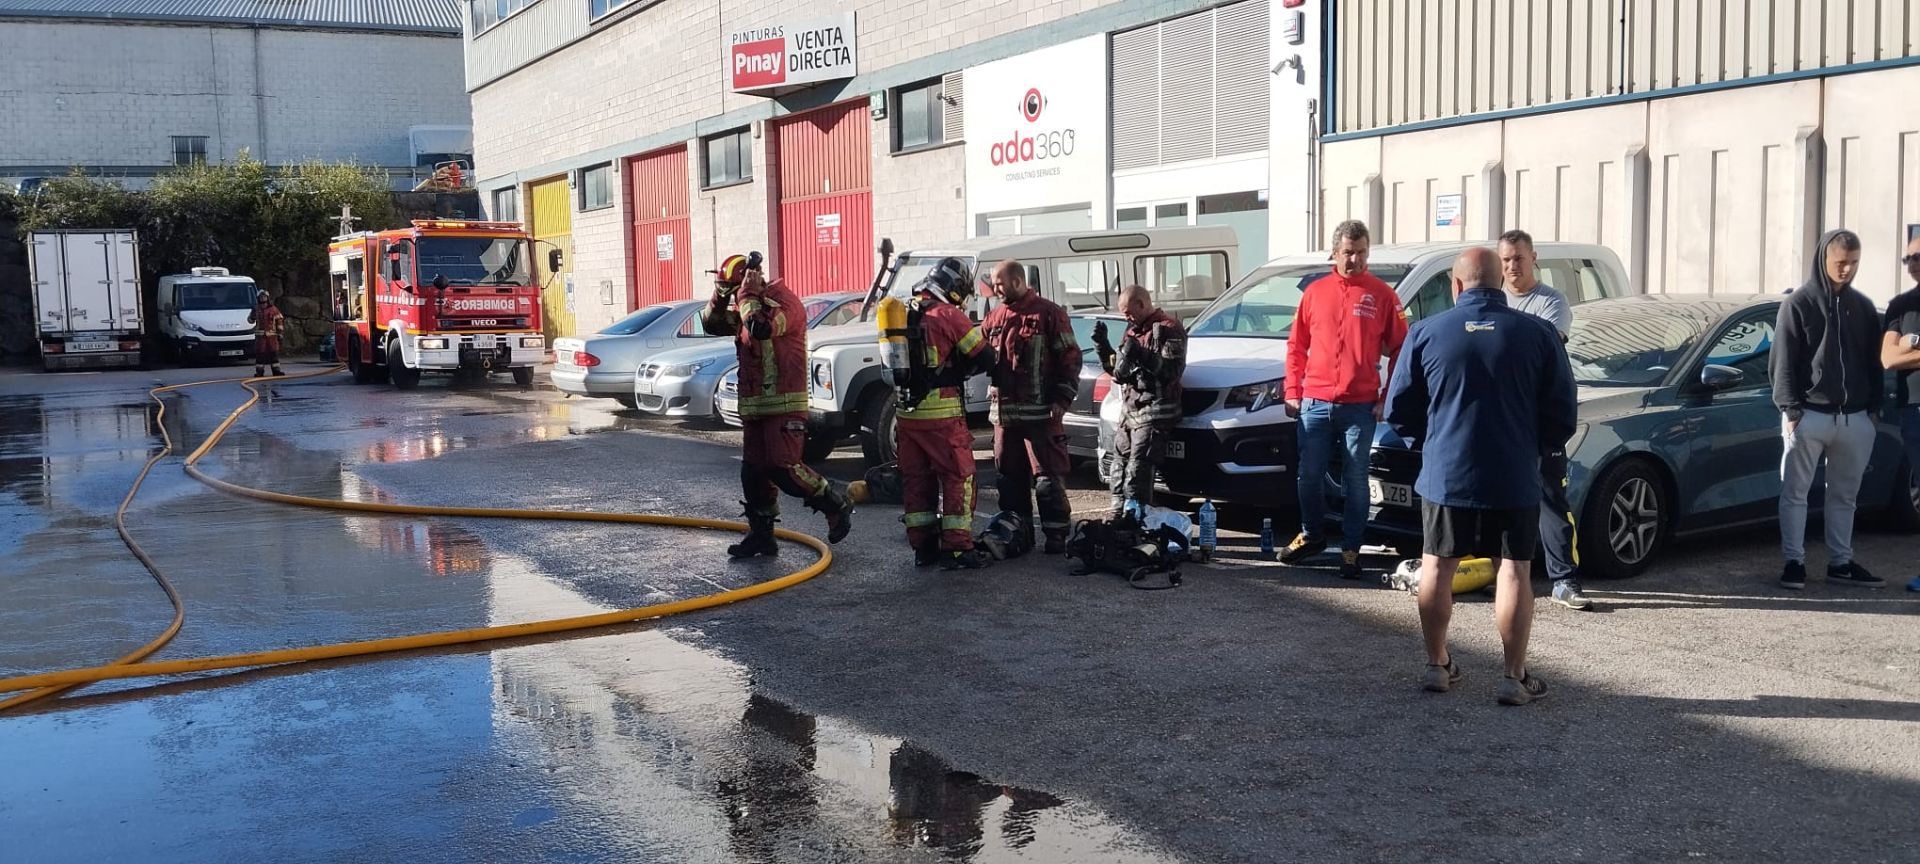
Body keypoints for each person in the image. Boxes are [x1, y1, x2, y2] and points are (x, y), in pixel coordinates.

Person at [1385, 247, 1576, 706]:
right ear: (1501, 284)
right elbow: (1562, 412)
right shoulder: (1539, 333)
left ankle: (1437, 664)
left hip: (1447, 472)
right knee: (1514, 571)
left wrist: (1430, 446)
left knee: (1437, 564)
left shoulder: (1427, 332)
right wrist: (1535, 448)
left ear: (1455, 286)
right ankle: (1513, 676)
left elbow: (1399, 410)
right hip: (1513, 473)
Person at [700, 253, 854, 559]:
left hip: (784, 403)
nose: (735, 298)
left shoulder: (784, 303)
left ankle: (835, 503)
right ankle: (762, 537)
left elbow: (761, 329)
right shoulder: (747, 305)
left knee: (783, 469)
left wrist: (747, 295)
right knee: (753, 473)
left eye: (736, 290)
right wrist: (720, 294)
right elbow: (712, 324)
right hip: (756, 407)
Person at [1281, 219, 1408, 579]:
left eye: (1362, 252)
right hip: (1315, 401)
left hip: (1360, 404)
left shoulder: (1383, 295)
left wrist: (1388, 397)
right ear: (1334, 253)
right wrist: (1293, 390)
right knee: (1308, 475)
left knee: (1356, 478)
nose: (1355, 259)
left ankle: (1351, 550)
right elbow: (1296, 346)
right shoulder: (1315, 293)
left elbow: (1402, 348)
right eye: (1348, 252)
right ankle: (1312, 535)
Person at [1773, 230, 1885, 590]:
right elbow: (1783, 363)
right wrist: (1791, 411)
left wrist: (1873, 410)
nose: (1847, 269)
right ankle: (1794, 563)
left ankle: (1841, 563)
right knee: (1795, 492)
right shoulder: (1798, 304)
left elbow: (1874, 362)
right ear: (1824, 259)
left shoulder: (1864, 307)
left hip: (1855, 417)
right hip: (1809, 414)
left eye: (1853, 263)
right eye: (1840, 262)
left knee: (1844, 496)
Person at [1498, 229, 1592, 611]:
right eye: (1504, 260)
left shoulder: (1552, 303)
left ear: (1533, 258)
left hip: (1539, 420)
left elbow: (1543, 350)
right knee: (1498, 501)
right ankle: (1499, 573)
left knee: (1551, 500)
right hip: (1502, 418)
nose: (1511, 267)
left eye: (1518, 258)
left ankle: (1564, 580)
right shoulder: (1495, 300)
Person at [895, 258, 998, 570]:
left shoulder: (904, 313)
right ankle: (956, 548)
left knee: (917, 479)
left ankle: (923, 548)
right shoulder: (947, 315)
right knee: (958, 477)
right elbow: (985, 357)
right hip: (941, 414)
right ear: (954, 289)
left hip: (907, 414)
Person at [982, 260, 1081, 554]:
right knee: (1009, 479)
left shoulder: (1049, 314)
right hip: (1004, 418)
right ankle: (1018, 535)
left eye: (999, 284)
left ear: (1016, 281)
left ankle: (1056, 537)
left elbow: (1070, 359)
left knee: (1048, 478)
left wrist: (1062, 399)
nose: (995, 289)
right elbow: (978, 351)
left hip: (1041, 415)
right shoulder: (995, 316)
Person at [1092, 285, 1188, 517]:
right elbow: (1119, 373)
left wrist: (1142, 355)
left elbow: (1171, 372)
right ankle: (1117, 519)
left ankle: (1136, 519)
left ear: (1142, 304)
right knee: (1119, 466)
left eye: (1128, 312)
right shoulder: (1132, 332)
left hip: (1156, 409)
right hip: (1130, 409)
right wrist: (1103, 347)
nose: (1126, 318)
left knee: (1138, 467)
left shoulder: (1169, 329)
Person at [1885, 235, 1920, 592]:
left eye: (1918, 256)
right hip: (1914, 408)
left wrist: (1912, 346)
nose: (1912, 263)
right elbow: (1889, 358)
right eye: (1907, 257)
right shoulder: (1901, 305)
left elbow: (1901, 353)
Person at [249, 292, 286, 377]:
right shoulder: (256, 309)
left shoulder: (273, 309)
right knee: (260, 355)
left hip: (272, 336)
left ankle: (276, 371)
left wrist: (280, 334)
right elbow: (250, 320)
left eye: (264, 297)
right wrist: (252, 314)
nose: (263, 299)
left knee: (274, 354)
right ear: (258, 298)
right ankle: (259, 372)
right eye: (261, 297)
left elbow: (279, 321)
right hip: (260, 337)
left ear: (268, 298)